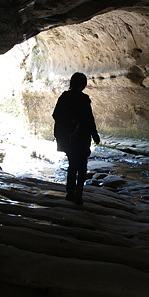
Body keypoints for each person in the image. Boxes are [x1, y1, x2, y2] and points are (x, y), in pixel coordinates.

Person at [52, 72, 100, 204]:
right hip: (83, 136)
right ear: (83, 85)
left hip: (69, 137)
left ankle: (70, 191)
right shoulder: (84, 99)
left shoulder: (64, 97)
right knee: (82, 165)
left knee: (72, 164)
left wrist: (68, 125)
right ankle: (79, 190)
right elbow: (89, 119)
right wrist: (95, 134)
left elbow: (55, 115)